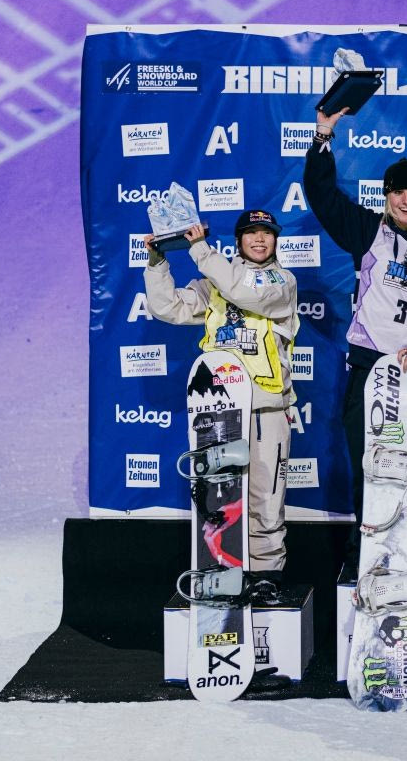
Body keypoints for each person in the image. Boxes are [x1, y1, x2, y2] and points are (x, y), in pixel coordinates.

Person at [303, 108, 407, 575]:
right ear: (386, 197)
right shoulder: (368, 231)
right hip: (371, 368)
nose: (405, 199)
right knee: (370, 463)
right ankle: (369, 551)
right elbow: (321, 194)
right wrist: (323, 134)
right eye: (397, 191)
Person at [142, 209, 299, 603]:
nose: (260, 240)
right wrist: (157, 262)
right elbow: (167, 307)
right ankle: (221, 569)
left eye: (267, 233)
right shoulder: (214, 281)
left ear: (276, 240)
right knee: (219, 499)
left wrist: (200, 249)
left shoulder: (282, 281)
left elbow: (244, 292)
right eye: (251, 233)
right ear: (239, 241)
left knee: (265, 498)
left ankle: (266, 574)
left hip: (265, 408)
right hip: (219, 409)